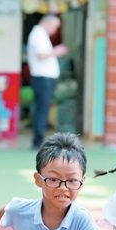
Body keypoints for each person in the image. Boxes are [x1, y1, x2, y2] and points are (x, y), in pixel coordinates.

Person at [27, 14, 68, 150]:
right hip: (42, 78)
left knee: (43, 108)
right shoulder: (38, 34)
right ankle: (38, 140)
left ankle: (39, 139)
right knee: (42, 109)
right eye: (55, 27)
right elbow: (42, 54)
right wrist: (56, 51)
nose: (55, 30)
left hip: (45, 78)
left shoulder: (41, 34)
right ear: (47, 22)